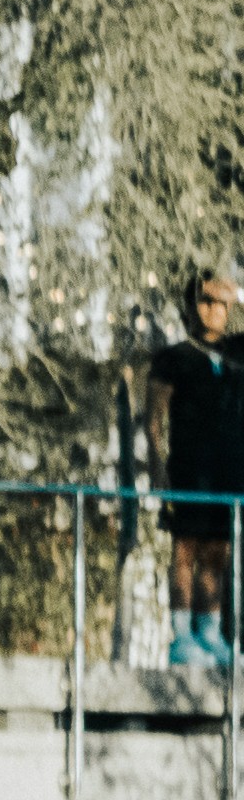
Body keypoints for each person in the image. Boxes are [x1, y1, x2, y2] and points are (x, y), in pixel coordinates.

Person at [145, 270, 244, 664]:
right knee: (185, 550)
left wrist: (234, 290)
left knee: (218, 553)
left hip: (229, 470)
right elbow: (152, 417)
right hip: (187, 469)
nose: (214, 310)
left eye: (221, 302)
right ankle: (182, 635)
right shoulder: (173, 357)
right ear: (191, 305)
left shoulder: (239, 351)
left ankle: (210, 633)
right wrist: (156, 467)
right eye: (205, 301)